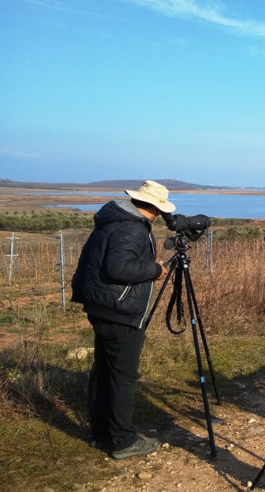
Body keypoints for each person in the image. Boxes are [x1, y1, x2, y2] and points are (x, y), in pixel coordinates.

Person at [71, 180, 175, 459]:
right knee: (122, 378)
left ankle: (103, 435)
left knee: (104, 372)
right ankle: (123, 441)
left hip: (103, 306)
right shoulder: (131, 227)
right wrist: (155, 269)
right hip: (120, 311)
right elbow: (119, 267)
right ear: (155, 206)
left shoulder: (113, 220)